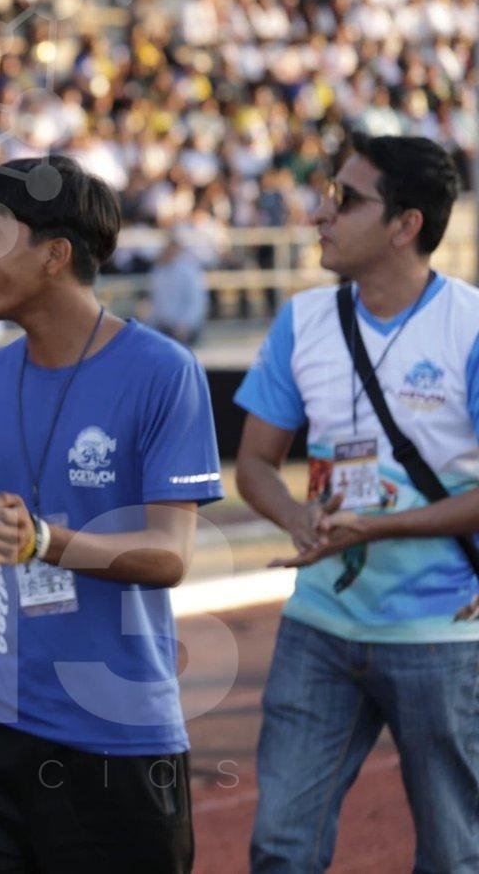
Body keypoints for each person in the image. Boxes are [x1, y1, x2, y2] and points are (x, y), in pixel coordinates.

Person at [0, 156, 221, 873]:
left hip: (117, 735)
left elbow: (170, 554)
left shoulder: (163, 371)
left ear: (55, 254)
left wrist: (44, 539)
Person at [235, 135, 479, 872]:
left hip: (442, 634)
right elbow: (254, 462)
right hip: (319, 626)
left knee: (453, 852)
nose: (319, 214)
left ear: (406, 224)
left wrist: (380, 526)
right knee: (281, 845)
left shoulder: (468, 323)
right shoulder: (302, 320)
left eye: (345, 198)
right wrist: (297, 516)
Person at [148, 235, 209, 346]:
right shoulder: (159, 270)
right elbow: (157, 301)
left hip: (184, 328)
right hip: (163, 326)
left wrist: (185, 324)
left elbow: (197, 301)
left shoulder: (188, 271)